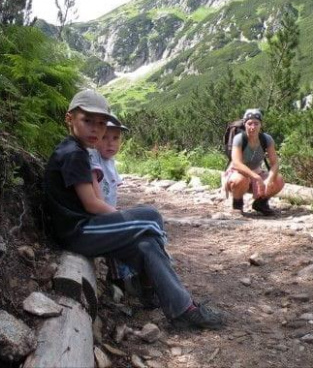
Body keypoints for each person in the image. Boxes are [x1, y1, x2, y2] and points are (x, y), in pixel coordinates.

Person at [43, 89, 225, 329]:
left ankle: (182, 308)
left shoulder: (78, 151)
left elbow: (96, 198)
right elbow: (91, 204)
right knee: (150, 217)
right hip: (78, 232)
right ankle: (149, 284)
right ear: (69, 119)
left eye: (100, 123)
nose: (95, 129)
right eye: (87, 121)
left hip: (85, 230)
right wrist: (125, 220)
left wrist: (125, 223)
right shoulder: (72, 154)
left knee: (147, 242)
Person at [87, 119, 146, 304]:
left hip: (107, 211)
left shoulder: (110, 162)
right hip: (98, 215)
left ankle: (132, 278)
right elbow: (96, 197)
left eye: (116, 138)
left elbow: (112, 191)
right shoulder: (93, 158)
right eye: (105, 137)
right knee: (118, 244)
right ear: (95, 138)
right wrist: (114, 214)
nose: (111, 143)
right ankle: (118, 280)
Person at [224, 108, 285, 216]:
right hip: (237, 173)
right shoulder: (239, 138)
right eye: (250, 123)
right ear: (245, 124)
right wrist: (255, 177)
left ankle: (260, 203)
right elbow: (236, 163)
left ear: (260, 125)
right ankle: (237, 205)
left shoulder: (267, 139)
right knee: (240, 179)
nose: (253, 127)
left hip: (257, 171)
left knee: (278, 180)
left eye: (256, 123)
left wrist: (270, 179)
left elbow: (274, 163)